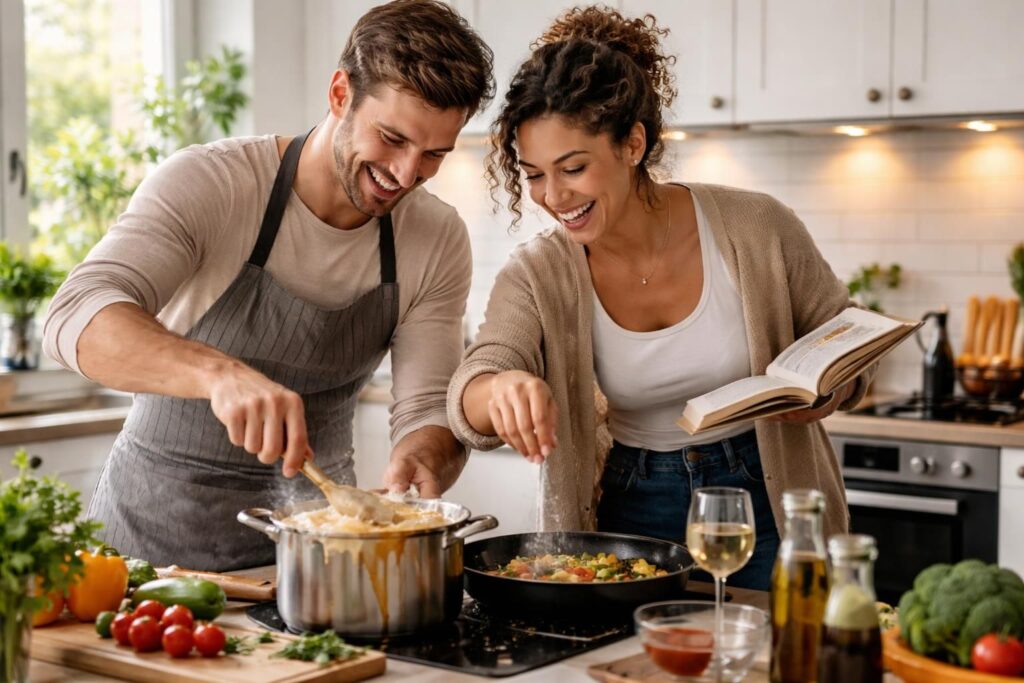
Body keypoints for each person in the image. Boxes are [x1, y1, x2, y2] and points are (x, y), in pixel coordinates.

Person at [42, 0, 494, 571]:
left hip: (316, 564)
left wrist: (423, 460)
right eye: (391, 138)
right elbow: (71, 318)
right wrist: (217, 373)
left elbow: (429, 406)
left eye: (433, 155)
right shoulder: (216, 184)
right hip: (147, 559)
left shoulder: (435, 237)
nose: (406, 175)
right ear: (339, 94)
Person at [445, 6, 872, 590]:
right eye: (535, 174)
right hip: (631, 503)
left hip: (766, 493)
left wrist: (828, 388)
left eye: (573, 167)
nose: (552, 195)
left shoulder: (756, 225)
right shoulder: (538, 271)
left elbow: (842, 336)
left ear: (633, 145)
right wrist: (498, 389)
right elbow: (474, 384)